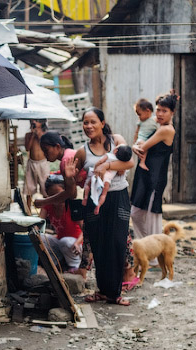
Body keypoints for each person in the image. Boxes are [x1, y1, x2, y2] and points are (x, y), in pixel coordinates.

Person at [74, 108, 136, 306]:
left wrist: (106, 166)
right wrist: (69, 175)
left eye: (93, 122)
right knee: (98, 244)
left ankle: (115, 293)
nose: (89, 126)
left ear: (102, 123)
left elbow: (129, 162)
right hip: (94, 200)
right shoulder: (82, 151)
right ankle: (102, 291)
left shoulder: (116, 140)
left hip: (118, 197)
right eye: (85, 122)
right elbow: (76, 181)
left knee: (117, 242)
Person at [130, 91, 177, 244]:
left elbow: (142, 147)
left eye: (165, 111)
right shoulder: (158, 126)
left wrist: (134, 146)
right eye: (158, 110)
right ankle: (148, 247)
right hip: (145, 175)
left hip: (155, 179)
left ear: (172, 112)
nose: (160, 114)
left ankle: (154, 252)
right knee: (136, 213)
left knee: (152, 218)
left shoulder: (166, 130)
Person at [39, 174, 83, 273]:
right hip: (61, 242)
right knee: (40, 237)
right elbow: (39, 224)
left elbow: (85, 231)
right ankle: (57, 264)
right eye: (52, 196)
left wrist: (77, 243)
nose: (56, 199)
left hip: (76, 244)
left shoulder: (73, 206)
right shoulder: (48, 206)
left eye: (59, 195)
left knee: (65, 241)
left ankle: (74, 266)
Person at [84, 145, 134, 212]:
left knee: (88, 185)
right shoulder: (120, 163)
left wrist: (95, 167)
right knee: (103, 195)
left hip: (98, 174)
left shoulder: (109, 156)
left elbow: (100, 162)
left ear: (116, 150)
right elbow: (120, 172)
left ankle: (85, 197)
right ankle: (98, 205)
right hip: (107, 180)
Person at [23, 119, 50, 209]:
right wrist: (33, 135)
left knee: (45, 187)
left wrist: (38, 133)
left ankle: (47, 209)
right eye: (32, 121)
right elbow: (27, 148)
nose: (33, 122)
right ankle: (28, 209)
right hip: (32, 163)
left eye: (36, 121)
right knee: (29, 187)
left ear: (41, 123)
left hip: (43, 163)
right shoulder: (28, 135)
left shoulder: (45, 134)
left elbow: (44, 144)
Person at [131, 99, 157, 171]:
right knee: (143, 147)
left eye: (139, 114)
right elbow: (136, 132)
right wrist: (134, 143)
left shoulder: (154, 119)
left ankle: (142, 162)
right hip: (141, 139)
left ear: (147, 111)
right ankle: (142, 162)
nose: (139, 117)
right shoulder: (140, 122)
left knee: (145, 147)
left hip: (147, 140)